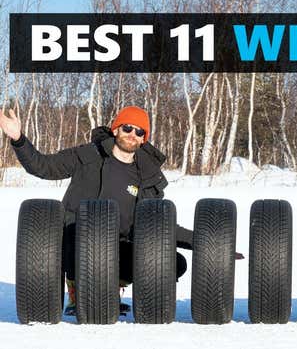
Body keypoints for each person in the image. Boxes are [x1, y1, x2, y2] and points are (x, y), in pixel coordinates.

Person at [0, 105, 241, 317]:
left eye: (139, 132)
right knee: (80, 240)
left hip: (116, 247)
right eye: (127, 128)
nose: (132, 135)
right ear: (116, 129)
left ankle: (110, 285)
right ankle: (78, 288)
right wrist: (19, 139)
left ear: (143, 139)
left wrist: (211, 244)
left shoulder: (147, 177)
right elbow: (43, 167)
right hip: (76, 240)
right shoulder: (88, 156)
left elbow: (160, 227)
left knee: (173, 261)